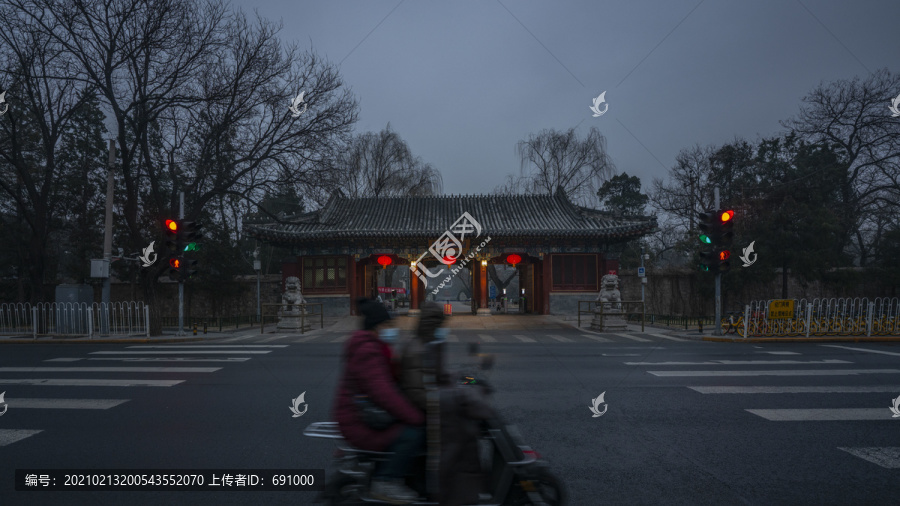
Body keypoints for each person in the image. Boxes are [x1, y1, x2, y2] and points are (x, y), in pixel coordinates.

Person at [398, 301, 497, 506]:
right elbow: (418, 394)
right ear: (431, 325)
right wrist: (445, 401)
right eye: (440, 325)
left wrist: (468, 379)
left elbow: (441, 376)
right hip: (420, 409)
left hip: (430, 404)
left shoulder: (429, 344)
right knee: (459, 435)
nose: (443, 329)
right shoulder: (416, 349)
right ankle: (450, 489)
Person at [333, 298, 424, 504]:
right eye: (387, 325)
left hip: (365, 413)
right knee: (413, 431)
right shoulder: (368, 351)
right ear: (377, 327)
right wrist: (414, 415)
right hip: (358, 420)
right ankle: (386, 480)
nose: (391, 329)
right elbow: (384, 393)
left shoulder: (375, 347)